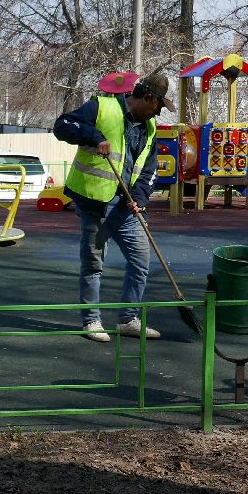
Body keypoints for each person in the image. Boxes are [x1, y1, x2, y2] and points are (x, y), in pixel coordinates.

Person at [53, 70, 175, 342]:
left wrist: (140, 199)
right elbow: (62, 125)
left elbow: (149, 170)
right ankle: (91, 321)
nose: (157, 115)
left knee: (140, 261)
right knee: (93, 263)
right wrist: (94, 137)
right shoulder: (102, 107)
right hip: (95, 202)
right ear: (146, 98)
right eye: (157, 107)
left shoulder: (150, 128)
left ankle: (128, 319)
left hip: (126, 206)